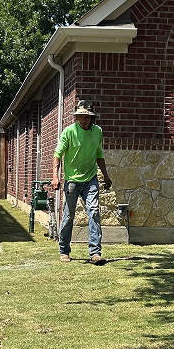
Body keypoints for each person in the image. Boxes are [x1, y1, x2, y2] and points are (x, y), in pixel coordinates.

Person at [51, 101, 112, 264]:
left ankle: (95, 253)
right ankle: (64, 250)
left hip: (91, 178)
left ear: (92, 118)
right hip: (72, 180)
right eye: (81, 117)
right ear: (76, 117)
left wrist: (105, 175)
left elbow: (99, 155)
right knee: (69, 215)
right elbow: (57, 154)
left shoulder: (97, 132)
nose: (84, 120)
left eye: (87, 117)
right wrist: (55, 177)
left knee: (93, 212)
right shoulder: (69, 132)